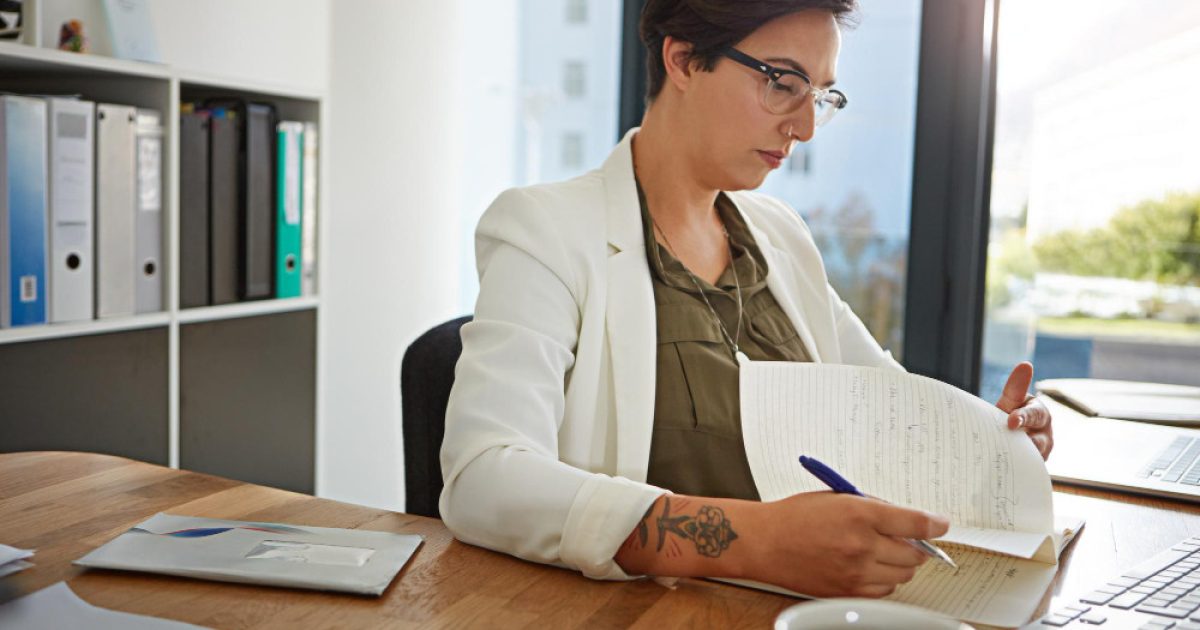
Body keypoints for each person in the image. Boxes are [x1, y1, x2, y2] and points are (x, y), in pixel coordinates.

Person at [439, 0, 1053, 598]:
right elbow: (484, 478)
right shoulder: (546, 229)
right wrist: (756, 540)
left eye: (820, 95)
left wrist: (986, 441)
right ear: (682, 61)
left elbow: (889, 414)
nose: (806, 126)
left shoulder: (780, 235)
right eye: (784, 83)